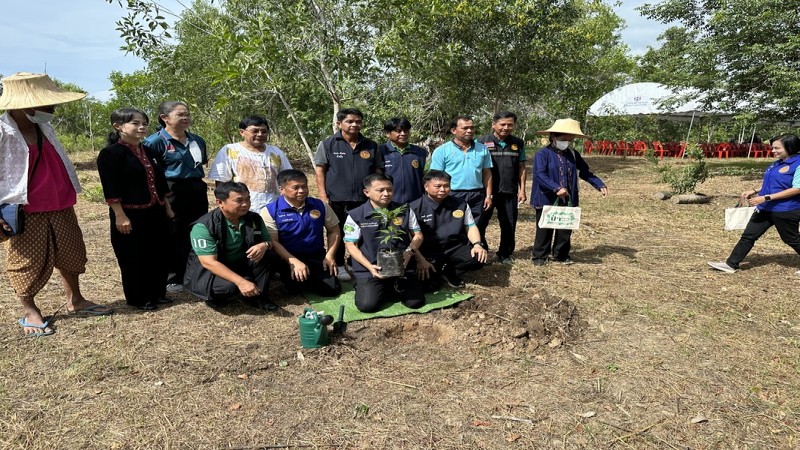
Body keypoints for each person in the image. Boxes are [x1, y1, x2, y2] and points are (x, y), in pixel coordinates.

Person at [0, 72, 112, 336]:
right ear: (26, 105)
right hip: (26, 209)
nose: (53, 109)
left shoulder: (44, 128)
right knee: (27, 261)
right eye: (48, 104)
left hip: (61, 204)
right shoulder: (3, 133)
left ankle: (76, 299)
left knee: (70, 252)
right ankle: (30, 310)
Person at [97, 108, 174, 310]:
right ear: (118, 126)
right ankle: (139, 297)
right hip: (130, 212)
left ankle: (158, 293)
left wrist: (167, 207)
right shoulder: (110, 154)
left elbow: (160, 182)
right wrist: (120, 215)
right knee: (133, 256)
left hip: (155, 210)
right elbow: (110, 187)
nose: (142, 127)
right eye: (135, 123)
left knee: (158, 252)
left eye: (144, 123)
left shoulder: (150, 151)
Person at [709, 134, 800, 274]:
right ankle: (731, 264)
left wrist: (766, 197)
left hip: (785, 209)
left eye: (777, 148)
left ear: (790, 147)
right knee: (748, 236)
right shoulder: (778, 162)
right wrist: (754, 190)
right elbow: (775, 184)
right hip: (765, 208)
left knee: (791, 239)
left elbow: (797, 189)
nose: (773, 151)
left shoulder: (798, 164)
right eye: (772, 148)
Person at [143, 101, 209, 293]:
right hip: (171, 190)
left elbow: (200, 164)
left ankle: (195, 272)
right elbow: (152, 174)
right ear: (165, 118)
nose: (186, 117)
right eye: (180, 114)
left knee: (197, 230)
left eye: (187, 114)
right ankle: (173, 276)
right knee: (173, 232)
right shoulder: (154, 142)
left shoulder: (197, 140)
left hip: (196, 189)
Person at [183, 181, 277, 311]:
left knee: (268, 255)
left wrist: (264, 245)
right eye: (239, 200)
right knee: (229, 287)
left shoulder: (254, 218)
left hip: (239, 263)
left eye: (247, 199)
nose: (245, 204)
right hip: (208, 272)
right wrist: (241, 282)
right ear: (220, 202)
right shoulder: (203, 226)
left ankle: (257, 297)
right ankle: (214, 297)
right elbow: (209, 263)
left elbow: (268, 241)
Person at [313, 107, 383, 282]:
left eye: (358, 121)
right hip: (337, 198)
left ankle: (355, 262)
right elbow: (320, 170)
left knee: (362, 232)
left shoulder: (371, 145)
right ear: (339, 123)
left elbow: (377, 171)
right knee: (337, 231)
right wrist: (323, 195)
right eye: (349, 121)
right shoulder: (328, 144)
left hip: (363, 199)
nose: (354, 124)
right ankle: (339, 264)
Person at [530, 118, 608, 266]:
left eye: (570, 140)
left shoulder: (573, 154)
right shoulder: (543, 154)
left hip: (568, 197)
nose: (567, 142)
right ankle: (540, 256)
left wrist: (598, 184)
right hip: (546, 197)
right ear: (553, 137)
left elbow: (585, 171)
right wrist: (556, 188)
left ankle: (561, 254)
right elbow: (540, 175)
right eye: (564, 139)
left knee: (565, 226)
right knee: (545, 227)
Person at [343, 174, 425, 313]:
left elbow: (418, 235)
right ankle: (364, 284)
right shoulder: (356, 215)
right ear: (367, 192)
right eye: (380, 190)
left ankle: (391, 285)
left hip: (401, 265)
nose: (386, 194)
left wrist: (409, 252)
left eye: (390, 189)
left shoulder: (404, 210)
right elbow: (351, 245)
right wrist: (370, 267)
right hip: (370, 268)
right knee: (367, 306)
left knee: (416, 302)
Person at [261, 169, 341, 296]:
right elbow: (273, 242)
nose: (301, 190)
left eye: (304, 186)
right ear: (281, 189)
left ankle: (309, 276)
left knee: (332, 289)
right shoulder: (270, 211)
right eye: (295, 187)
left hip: (316, 255)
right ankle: (286, 276)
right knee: (294, 290)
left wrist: (330, 256)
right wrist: (293, 261)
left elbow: (334, 230)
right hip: (288, 258)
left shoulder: (320, 205)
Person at [410, 170, 488, 290]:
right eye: (438, 186)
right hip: (429, 252)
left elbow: (471, 226)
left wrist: (477, 244)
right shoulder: (414, 208)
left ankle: (450, 271)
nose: (443, 189)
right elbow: (412, 237)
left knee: (479, 257)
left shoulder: (460, 204)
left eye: (446, 186)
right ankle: (438, 272)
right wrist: (420, 260)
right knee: (429, 286)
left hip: (455, 248)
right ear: (426, 187)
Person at [208, 115, 292, 212]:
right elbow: (221, 182)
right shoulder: (229, 151)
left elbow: (288, 178)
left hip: (273, 208)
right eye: (255, 131)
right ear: (242, 132)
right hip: (241, 208)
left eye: (264, 131)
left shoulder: (276, 152)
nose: (260, 134)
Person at [429, 115, 493, 236]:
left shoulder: (482, 149)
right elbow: (435, 177)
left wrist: (489, 195)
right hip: (452, 194)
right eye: (465, 128)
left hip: (477, 195)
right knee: (453, 227)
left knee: (476, 226)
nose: (469, 131)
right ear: (453, 130)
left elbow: (487, 173)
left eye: (472, 128)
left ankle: (474, 251)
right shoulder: (442, 150)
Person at [476, 111, 527, 264]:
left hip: (509, 191)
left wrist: (522, 189)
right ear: (494, 124)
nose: (506, 127)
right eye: (502, 124)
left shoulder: (518, 143)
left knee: (509, 224)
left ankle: (505, 254)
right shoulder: (481, 142)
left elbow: (522, 167)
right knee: (480, 223)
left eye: (510, 125)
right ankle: (481, 250)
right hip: (485, 192)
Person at [378, 117, 427, 203]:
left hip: (415, 201)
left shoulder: (420, 152)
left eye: (406, 131)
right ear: (387, 133)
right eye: (398, 131)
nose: (403, 134)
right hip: (388, 201)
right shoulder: (380, 151)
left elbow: (423, 176)